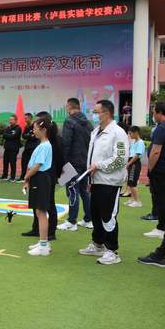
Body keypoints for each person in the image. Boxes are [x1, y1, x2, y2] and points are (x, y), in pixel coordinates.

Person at [78, 100, 128, 265]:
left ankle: (112, 251)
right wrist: (90, 178)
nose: (93, 115)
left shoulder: (118, 133)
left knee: (108, 216)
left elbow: (120, 159)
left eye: (96, 112)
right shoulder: (96, 131)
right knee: (96, 214)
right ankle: (98, 244)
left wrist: (99, 166)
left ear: (106, 113)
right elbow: (92, 156)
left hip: (110, 182)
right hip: (96, 180)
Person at [22, 112, 62, 241]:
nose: (34, 130)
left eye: (37, 125)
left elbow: (59, 159)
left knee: (47, 205)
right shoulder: (42, 142)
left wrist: (27, 176)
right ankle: (37, 230)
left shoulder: (52, 141)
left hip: (47, 175)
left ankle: (50, 233)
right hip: (40, 176)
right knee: (39, 208)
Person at [57, 98, 94, 232]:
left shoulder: (69, 121)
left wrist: (63, 163)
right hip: (85, 162)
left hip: (72, 162)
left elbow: (66, 143)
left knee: (72, 190)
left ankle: (71, 221)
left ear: (69, 106)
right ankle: (88, 219)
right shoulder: (89, 123)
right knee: (83, 191)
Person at [23, 119, 54, 256]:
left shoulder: (44, 146)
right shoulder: (43, 145)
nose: (33, 131)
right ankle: (43, 242)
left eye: (35, 129)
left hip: (40, 179)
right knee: (39, 212)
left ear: (43, 130)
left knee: (41, 213)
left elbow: (37, 166)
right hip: (38, 179)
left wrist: (26, 177)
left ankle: (43, 246)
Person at [143, 102, 165, 240]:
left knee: (160, 199)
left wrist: (150, 169)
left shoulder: (161, 128)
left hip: (160, 170)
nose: (153, 115)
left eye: (153, 113)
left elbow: (156, 151)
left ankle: (161, 228)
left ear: (159, 113)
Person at [123, 126, 145, 208]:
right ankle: (132, 200)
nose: (130, 135)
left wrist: (129, 163)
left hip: (135, 163)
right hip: (132, 163)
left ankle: (137, 201)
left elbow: (137, 155)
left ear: (136, 133)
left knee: (132, 183)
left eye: (131, 133)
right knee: (130, 182)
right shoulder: (134, 142)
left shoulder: (140, 142)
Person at [1, 115, 22, 182]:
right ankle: (4, 176)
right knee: (5, 162)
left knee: (12, 162)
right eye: (10, 120)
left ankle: (12, 177)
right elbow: (4, 135)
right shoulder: (8, 128)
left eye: (12, 120)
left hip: (14, 148)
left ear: (16, 120)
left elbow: (14, 136)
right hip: (7, 148)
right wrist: (9, 135)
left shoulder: (18, 128)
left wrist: (8, 136)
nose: (10, 121)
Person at [19, 113, 38, 182]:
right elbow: (23, 136)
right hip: (27, 147)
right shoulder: (27, 126)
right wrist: (29, 135)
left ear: (30, 118)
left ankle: (32, 178)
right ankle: (22, 177)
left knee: (33, 164)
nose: (25, 120)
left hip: (33, 148)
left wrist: (28, 136)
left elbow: (34, 137)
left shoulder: (35, 125)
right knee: (23, 162)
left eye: (26, 118)